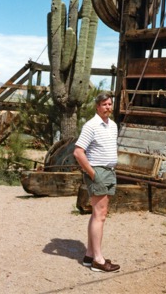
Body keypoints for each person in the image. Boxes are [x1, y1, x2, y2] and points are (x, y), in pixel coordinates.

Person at [73, 92, 120, 273]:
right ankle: (98, 261)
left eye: (109, 104)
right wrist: (92, 174)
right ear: (97, 107)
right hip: (98, 171)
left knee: (97, 214)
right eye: (104, 104)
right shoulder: (91, 126)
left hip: (109, 171)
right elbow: (78, 152)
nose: (108, 107)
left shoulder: (113, 125)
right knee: (100, 215)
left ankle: (89, 255)